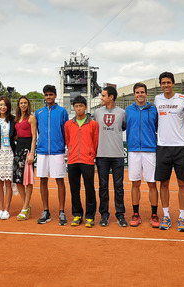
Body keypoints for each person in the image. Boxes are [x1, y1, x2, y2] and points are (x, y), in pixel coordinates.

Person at [154, 72, 184, 232]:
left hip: (181, 147)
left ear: (173, 83)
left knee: (182, 183)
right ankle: (166, 215)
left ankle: (182, 217)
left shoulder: (183, 99)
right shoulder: (157, 99)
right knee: (164, 183)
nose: (166, 85)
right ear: (160, 84)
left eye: (168, 82)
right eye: (163, 83)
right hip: (162, 146)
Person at [125, 82, 159, 228]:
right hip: (133, 150)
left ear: (146, 94)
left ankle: (154, 214)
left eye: (142, 92)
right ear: (134, 94)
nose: (140, 95)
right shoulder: (128, 110)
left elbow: (158, 127)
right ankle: (136, 213)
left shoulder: (153, 110)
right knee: (135, 183)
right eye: (137, 92)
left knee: (152, 183)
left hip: (150, 150)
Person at [35, 84, 69, 225]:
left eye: (51, 94)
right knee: (43, 180)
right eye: (46, 94)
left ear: (55, 95)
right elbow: (36, 131)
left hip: (58, 151)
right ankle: (46, 211)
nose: (48, 97)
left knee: (59, 180)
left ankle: (61, 211)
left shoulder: (62, 111)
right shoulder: (38, 113)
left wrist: (65, 147)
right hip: (42, 151)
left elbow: (66, 131)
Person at [94, 86, 127, 227]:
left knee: (119, 186)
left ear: (111, 97)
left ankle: (120, 214)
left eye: (103, 95)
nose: (101, 98)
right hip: (101, 155)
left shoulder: (122, 113)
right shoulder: (96, 113)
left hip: (118, 155)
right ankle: (104, 215)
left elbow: (123, 127)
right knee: (103, 187)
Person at [64, 95, 98, 228]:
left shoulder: (93, 124)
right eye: (76, 106)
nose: (78, 108)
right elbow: (68, 140)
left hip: (87, 160)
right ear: (74, 107)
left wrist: (90, 154)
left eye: (81, 106)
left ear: (85, 107)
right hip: (72, 161)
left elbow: (95, 141)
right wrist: (72, 151)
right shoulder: (68, 124)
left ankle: (90, 216)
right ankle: (77, 214)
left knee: (89, 189)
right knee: (74, 189)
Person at [0, 96, 17, 220]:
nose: (3, 107)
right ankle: (0, 209)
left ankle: (7, 210)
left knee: (8, 183)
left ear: (8, 107)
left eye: (5, 105)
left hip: (9, 154)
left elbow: (16, 135)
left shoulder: (13, 120)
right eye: (0, 105)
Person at [14, 96, 37, 221]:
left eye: (25, 103)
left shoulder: (31, 118)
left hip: (27, 150)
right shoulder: (17, 118)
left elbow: (34, 137)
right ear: (18, 105)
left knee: (27, 181)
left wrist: (32, 153)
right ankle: (26, 205)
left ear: (28, 105)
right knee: (18, 180)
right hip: (17, 151)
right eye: (21, 103)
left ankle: (24, 208)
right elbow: (17, 135)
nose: (23, 105)